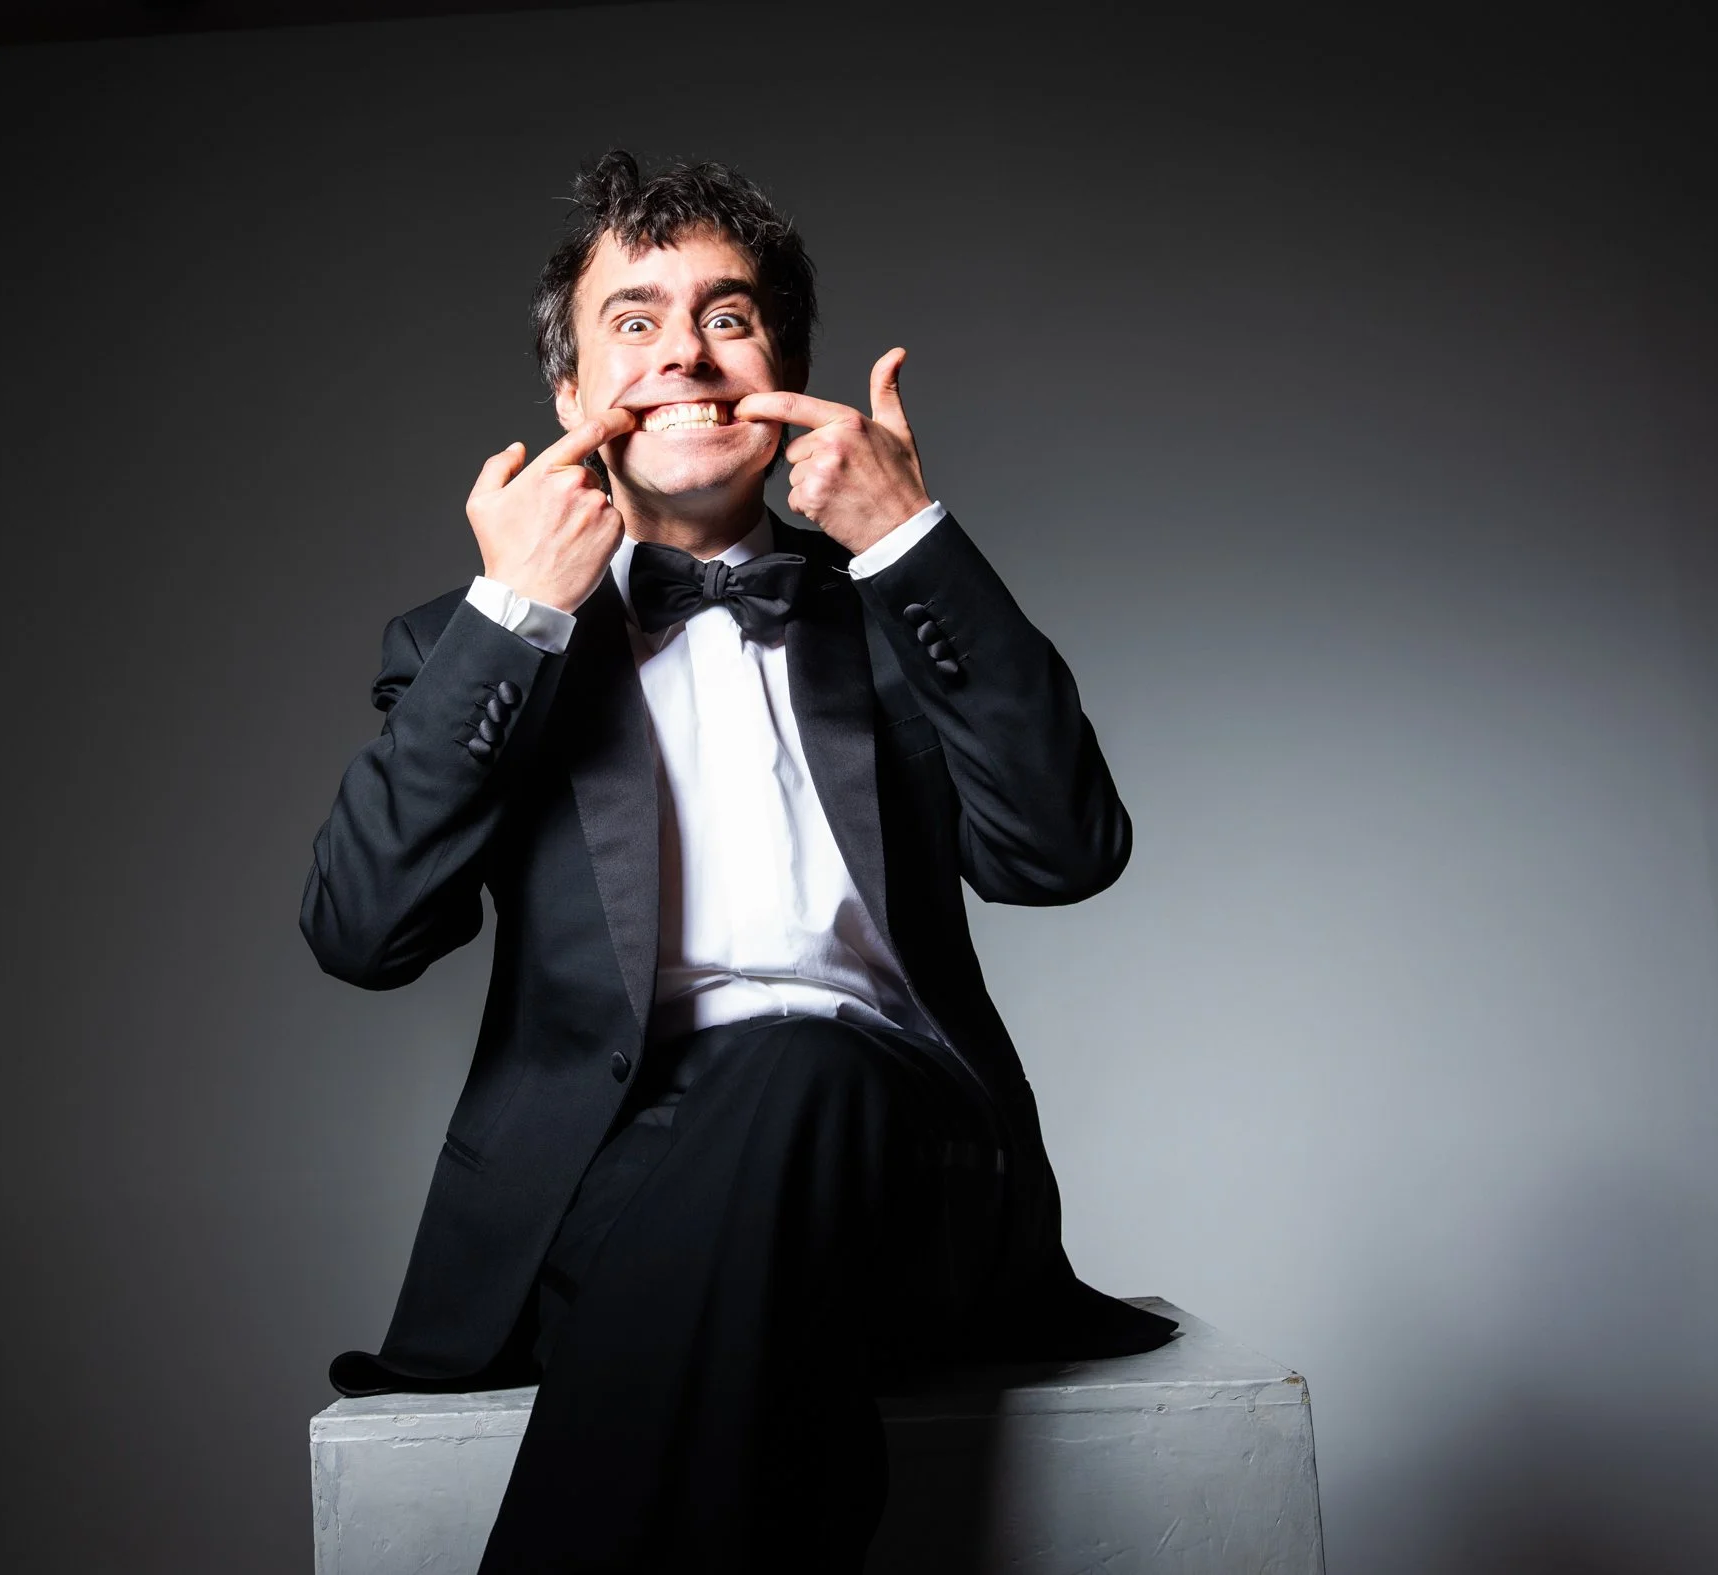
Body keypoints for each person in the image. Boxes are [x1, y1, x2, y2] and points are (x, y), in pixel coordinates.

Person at [302, 150, 1174, 1572]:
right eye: (632, 322)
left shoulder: (898, 608)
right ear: (573, 395)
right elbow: (360, 928)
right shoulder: (472, 642)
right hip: (605, 1179)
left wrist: (908, 541)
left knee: (794, 1062)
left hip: (903, 1161)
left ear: (783, 366)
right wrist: (512, 615)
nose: (685, 355)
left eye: (729, 315)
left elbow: (1060, 852)